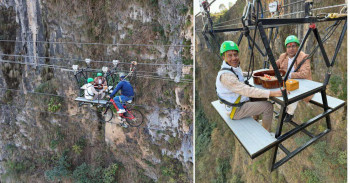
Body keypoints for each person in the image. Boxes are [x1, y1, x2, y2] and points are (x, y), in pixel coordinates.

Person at [216, 41, 283, 132]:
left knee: (262, 98)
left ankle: (255, 120)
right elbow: (247, 90)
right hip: (236, 110)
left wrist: (254, 74)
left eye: (235, 55)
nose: (234, 58)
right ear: (224, 57)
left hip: (238, 101)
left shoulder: (230, 67)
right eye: (230, 55)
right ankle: (266, 133)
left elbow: (238, 74)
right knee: (268, 106)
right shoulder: (226, 77)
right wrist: (273, 93)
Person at [270, 35, 312, 122]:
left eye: (293, 46)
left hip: (301, 83)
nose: (291, 49)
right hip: (286, 82)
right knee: (275, 92)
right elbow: (273, 66)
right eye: (289, 46)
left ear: (297, 47)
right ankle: (284, 109)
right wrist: (275, 73)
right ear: (286, 48)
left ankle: (290, 113)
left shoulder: (303, 57)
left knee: (293, 93)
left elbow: (304, 74)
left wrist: (288, 74)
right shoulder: (283, 56)